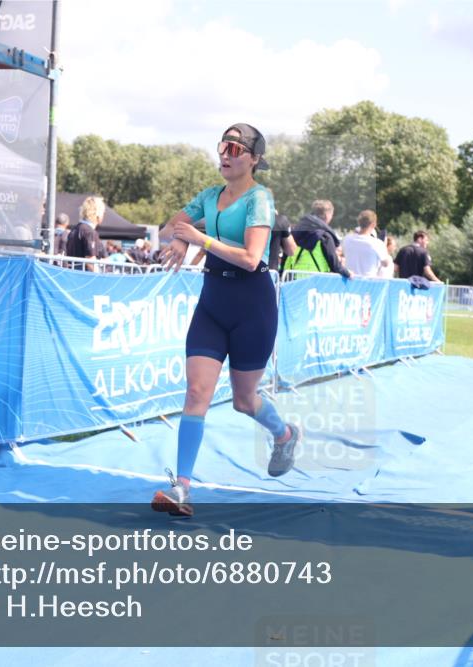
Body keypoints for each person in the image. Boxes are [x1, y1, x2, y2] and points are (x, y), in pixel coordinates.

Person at [152, 122, 302, 517]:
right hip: (213, 302)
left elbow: (252, 258)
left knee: (243, 401)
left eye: (235, 149)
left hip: (253, 306)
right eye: (223, 146)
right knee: (196, 392)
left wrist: (198, 239)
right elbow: (169, 227)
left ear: (253, 159)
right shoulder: (208, 195)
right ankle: (182, 488)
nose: (225, 155)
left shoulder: (260, 198)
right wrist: (180, 237)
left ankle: (284, 434)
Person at [284, 199, 350, 278]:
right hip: (316, 280)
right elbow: (334, 265)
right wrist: (348, 273)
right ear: (327, 215)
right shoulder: (325, 236)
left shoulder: (295, 232)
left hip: (294, 278)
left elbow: (286, 255)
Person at [341, 210, 392, 278]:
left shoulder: (347, 239)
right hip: (368, 282)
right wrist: (384, 247)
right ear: (373, 224)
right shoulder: (377, 244)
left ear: (359, 222)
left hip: (349, 280)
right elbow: (386, 264)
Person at [65, 196, 106, 270]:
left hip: (73, 273)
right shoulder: (89, 232)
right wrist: (98, 275)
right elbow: (90, 260)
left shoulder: (75, 229)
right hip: (84, 274)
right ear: (98, 213)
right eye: (103, 212)